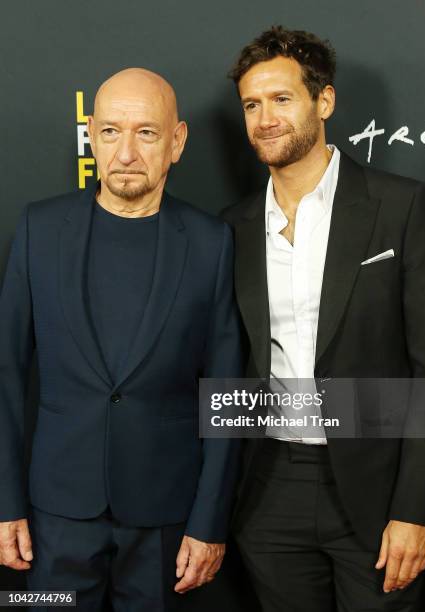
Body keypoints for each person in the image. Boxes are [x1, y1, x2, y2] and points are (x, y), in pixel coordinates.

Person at [222, 26, 425, 612]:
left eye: (281, 99)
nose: (265, 118)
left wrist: (415, 509)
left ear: (323, 102)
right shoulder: (232, 228)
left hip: (376, 490)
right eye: (252, 104)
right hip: (269, 490)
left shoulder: (401, 206)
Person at [0, 68, 242, 611]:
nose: (126, 152)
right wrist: (4, 502)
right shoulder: (39, 230)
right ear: (91, 135)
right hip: (54, 519)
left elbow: (225, 393)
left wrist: (209, 520)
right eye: (110, 132)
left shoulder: (211, 243)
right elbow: (6, 375)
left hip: (166, 523)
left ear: (176, 142)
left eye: (146, 133)